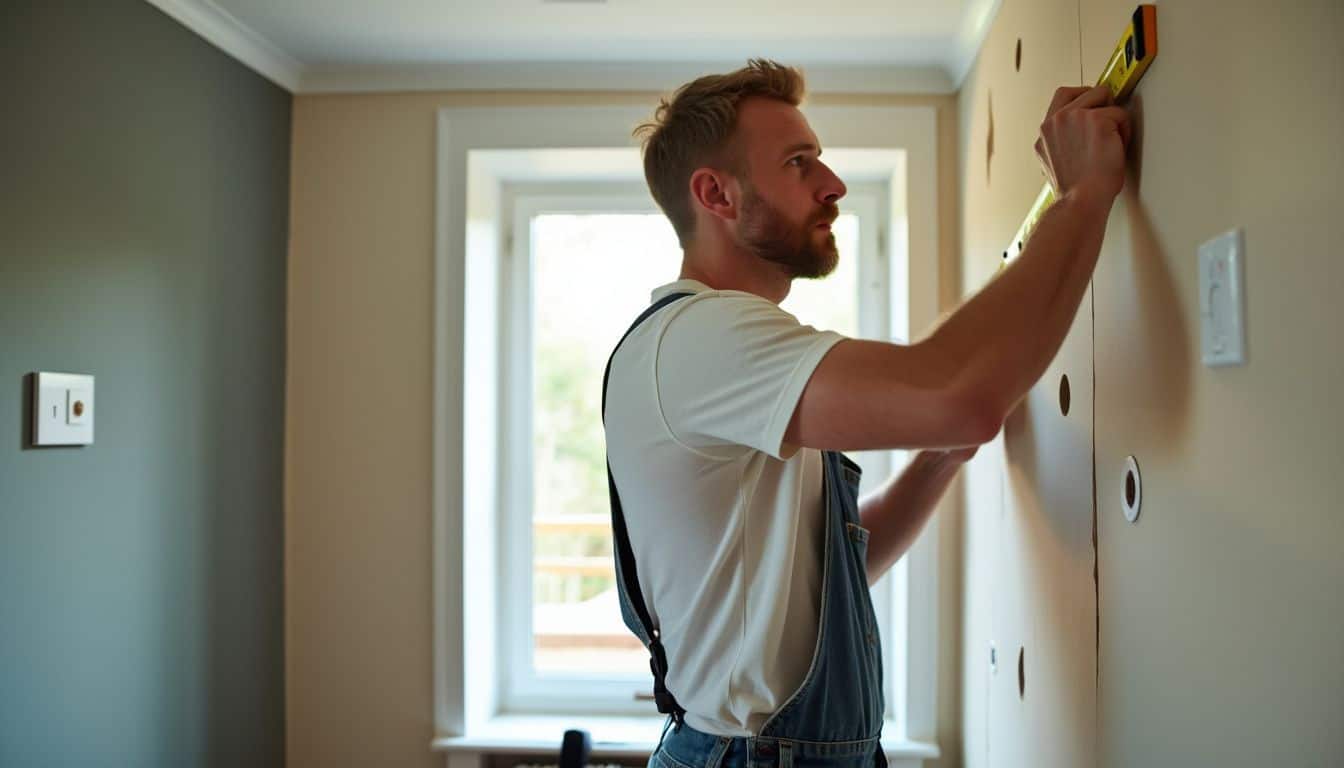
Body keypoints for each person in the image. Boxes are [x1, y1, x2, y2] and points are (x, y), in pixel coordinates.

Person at [602, 59, 1130, 768]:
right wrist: (1085, 196)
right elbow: (960, 394)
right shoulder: (701, 340)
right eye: (799, 163)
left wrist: (942, 453)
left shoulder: (720, 357)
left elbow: (842, 565)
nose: (833, 184)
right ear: (716, 195)